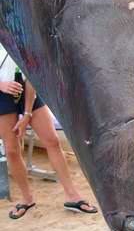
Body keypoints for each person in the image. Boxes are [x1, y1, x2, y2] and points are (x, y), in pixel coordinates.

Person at [0, 46, 97, 219]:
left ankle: (72, 195)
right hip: (1, 93)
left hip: (28, 88)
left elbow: (32, 72)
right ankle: (27, 199)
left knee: (52, 141)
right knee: (12, 150)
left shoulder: (16, 26)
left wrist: (27, 113)